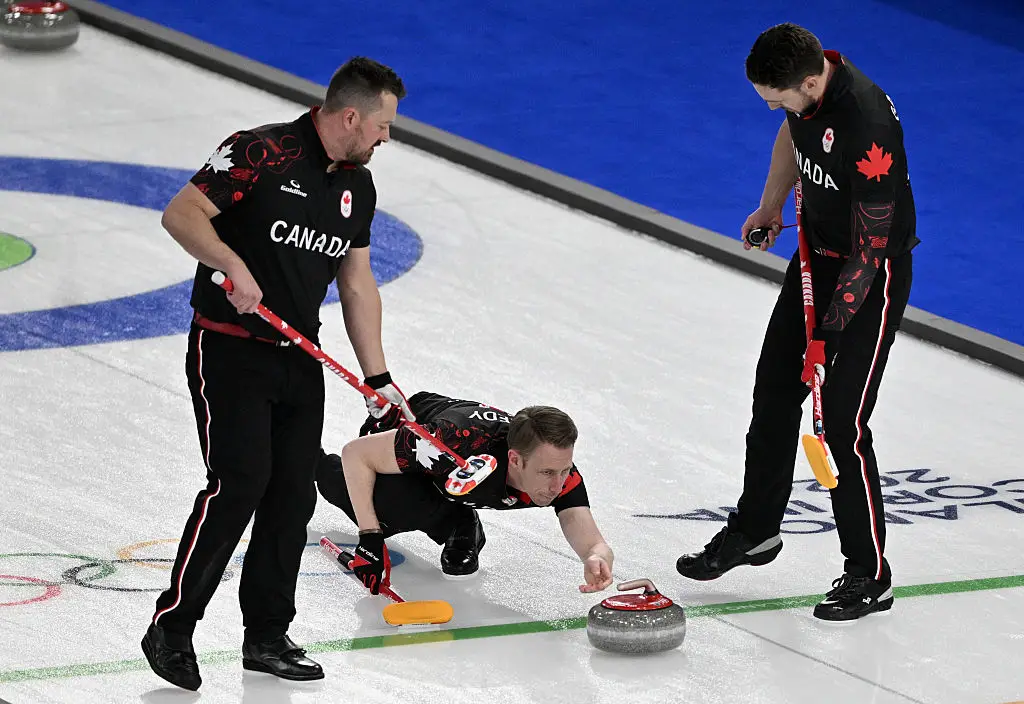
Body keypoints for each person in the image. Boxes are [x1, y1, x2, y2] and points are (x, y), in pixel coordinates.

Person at [142, 57, 416, 691]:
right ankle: (173, 627)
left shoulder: (357, 187)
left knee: (291, 497)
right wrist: (230, 264)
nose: (386, 138)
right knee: (238, 484)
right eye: (382, 126)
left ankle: (265, 636)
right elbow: (182, 215)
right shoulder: (258, 151)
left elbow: (356, 281)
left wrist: (378, 377)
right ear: (351, 117)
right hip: (230, 349)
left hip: (300, 357)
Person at [675, 23, 917, 622]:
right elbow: (793, 134)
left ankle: (869, 573)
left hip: (869, 278)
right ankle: (756, 530)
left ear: (810, 82)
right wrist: (771, 205)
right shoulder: (807, 93)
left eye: (778, 97)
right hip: (816, 259)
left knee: (842, 425)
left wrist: (827, 336)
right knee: (774, 393)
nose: (773, 108)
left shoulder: (867, 127)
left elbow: (873, 252)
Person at [315, 391, 615, 594]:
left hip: (450, 482)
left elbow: (592, 540)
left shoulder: (558, 470)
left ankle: (460, 521)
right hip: (400, 446)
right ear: (515, 459)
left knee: (434, 499)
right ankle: (313, 460)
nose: (557, 485)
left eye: (564, 471)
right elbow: (357, 454)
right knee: (389, 512)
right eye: (548, 473)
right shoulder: (450, 442)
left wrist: (595, 558)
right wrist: (370, 537)